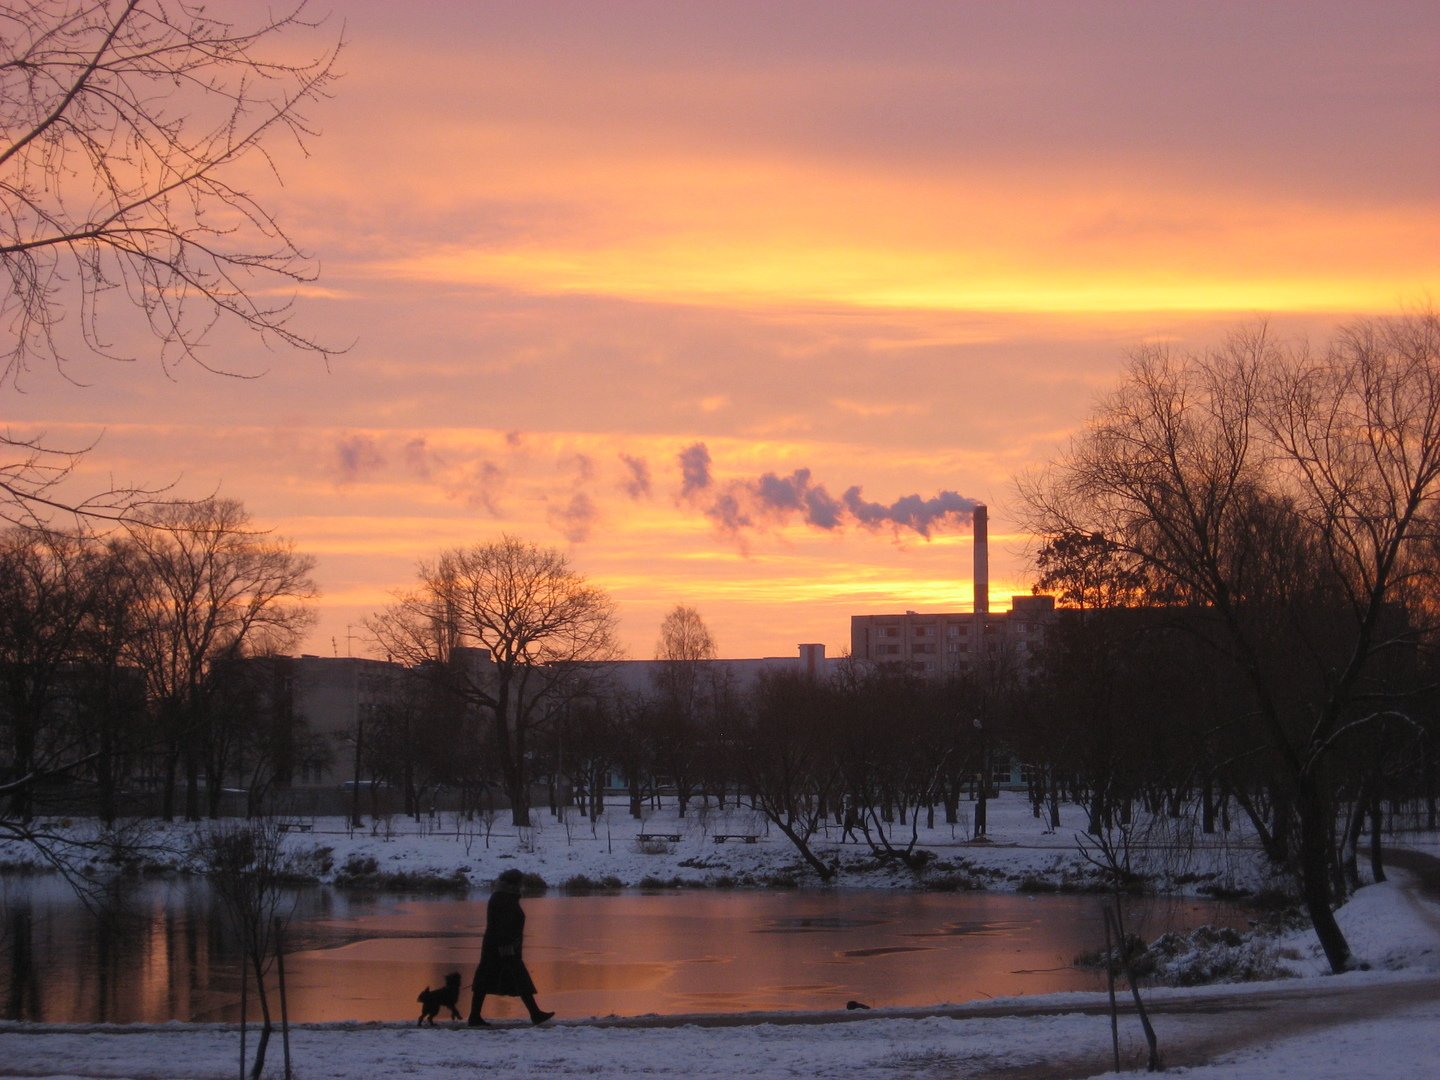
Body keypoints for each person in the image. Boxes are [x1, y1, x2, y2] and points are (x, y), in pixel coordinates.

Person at [467, 869, 555, 1026]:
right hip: (502, 947)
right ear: (513, 884)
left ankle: (535, 1014)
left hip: (500, 946)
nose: (521, 886)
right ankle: (535, 1014)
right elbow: (502, 925)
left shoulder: (504, 897)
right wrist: (506, 946)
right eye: (520, 883)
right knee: (510, 979)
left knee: (490, 980)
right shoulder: (503, 899)